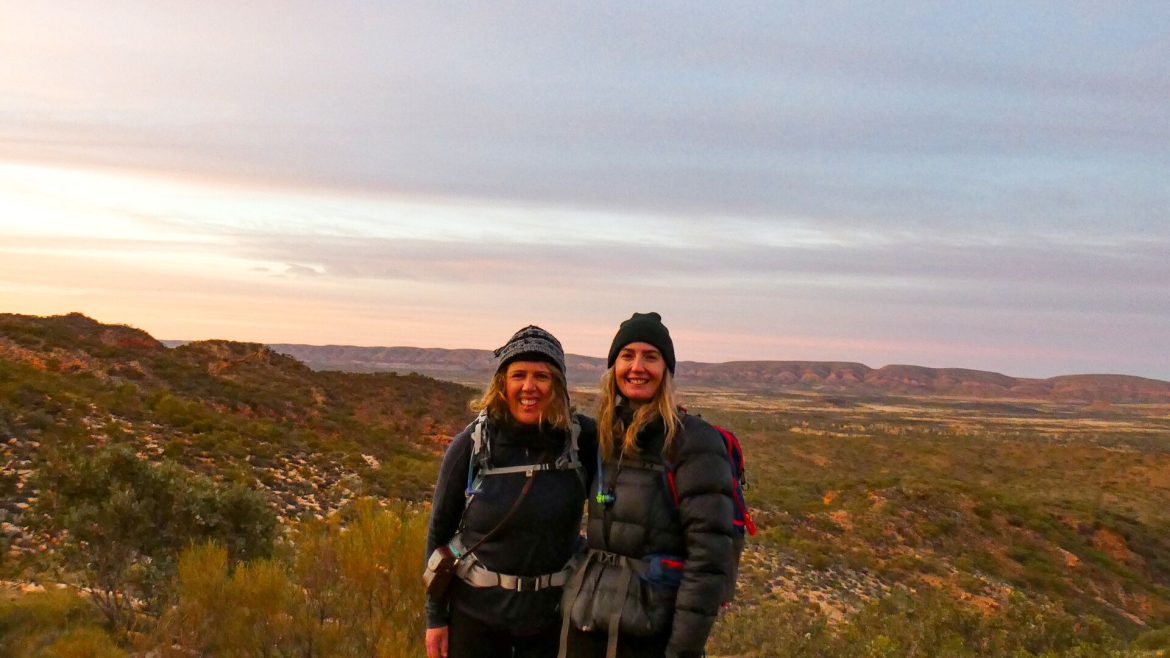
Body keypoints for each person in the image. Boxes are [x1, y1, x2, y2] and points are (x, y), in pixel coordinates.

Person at [559, 312, 735, 658]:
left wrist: (682, 650)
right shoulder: (604, 435)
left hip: (649, 635)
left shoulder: (692, 443)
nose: (637, 367)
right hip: (587, 623)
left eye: (650, 357)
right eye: (627, 356)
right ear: (613, 368)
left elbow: (709, 561)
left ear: (666, 370)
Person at [425, 325, 597, 658]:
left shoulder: (581, 440)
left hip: (554, 621)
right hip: (475, 620)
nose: (529, 387)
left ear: (558, 384)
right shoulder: (472, 446)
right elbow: (439, 533)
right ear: (502, 382)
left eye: (541, 376)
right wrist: (435, 619)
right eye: (518, 375)